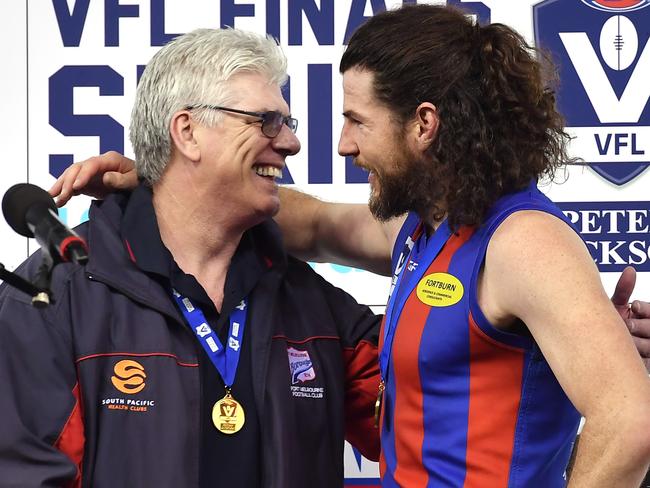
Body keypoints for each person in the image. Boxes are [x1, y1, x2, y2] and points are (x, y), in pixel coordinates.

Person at [52, 5, 650, 488]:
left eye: (357, 121)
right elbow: (310, 224)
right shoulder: (424, 231)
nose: (343, 144)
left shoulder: (523, 242)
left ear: (423, 124)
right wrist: (168, 176)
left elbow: (629, 425)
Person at [0, 28, 382, 487]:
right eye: (265, 120)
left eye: (287, 123)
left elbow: (441, 417)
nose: (290, 143)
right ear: (187, 132)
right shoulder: (53, 298)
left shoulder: (316, 306)